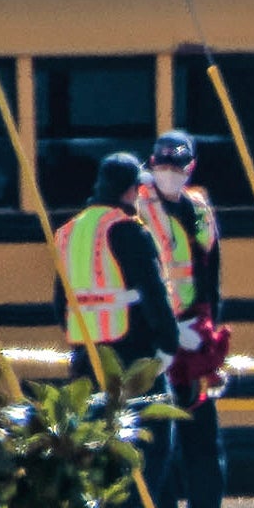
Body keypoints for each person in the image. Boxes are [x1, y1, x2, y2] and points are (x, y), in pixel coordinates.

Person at [134, 133, 230, 508]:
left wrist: (208, 338)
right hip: (158, 334)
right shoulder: (139, 208)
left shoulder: (198, 208)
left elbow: (210, 274)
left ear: (189, 168)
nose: (169, 174)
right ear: (151, 166)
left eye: (177, 167)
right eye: (163, 166)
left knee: (203, 437)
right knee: (163, 438)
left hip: (193, 331)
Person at [54, 150, 180, 380]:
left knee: (93, 414)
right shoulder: (128, 230)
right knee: (150, 413)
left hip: (86, 353)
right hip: (131, 350)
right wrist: (168, 344)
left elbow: (60, 299)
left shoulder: (68, 232)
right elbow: (152, 291)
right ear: (130, 190)